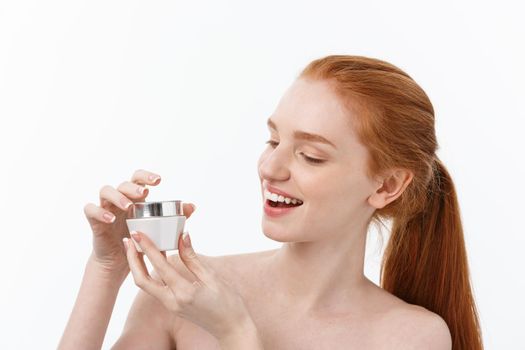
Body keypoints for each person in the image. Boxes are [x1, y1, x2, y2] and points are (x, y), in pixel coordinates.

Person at [58, 55, 483, 350]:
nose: (270, 167)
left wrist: (235, 333)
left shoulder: (410, 337)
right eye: (274, 140)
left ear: (387, 186)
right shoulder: (183, 293)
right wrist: (106, 268)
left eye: (310, 155)